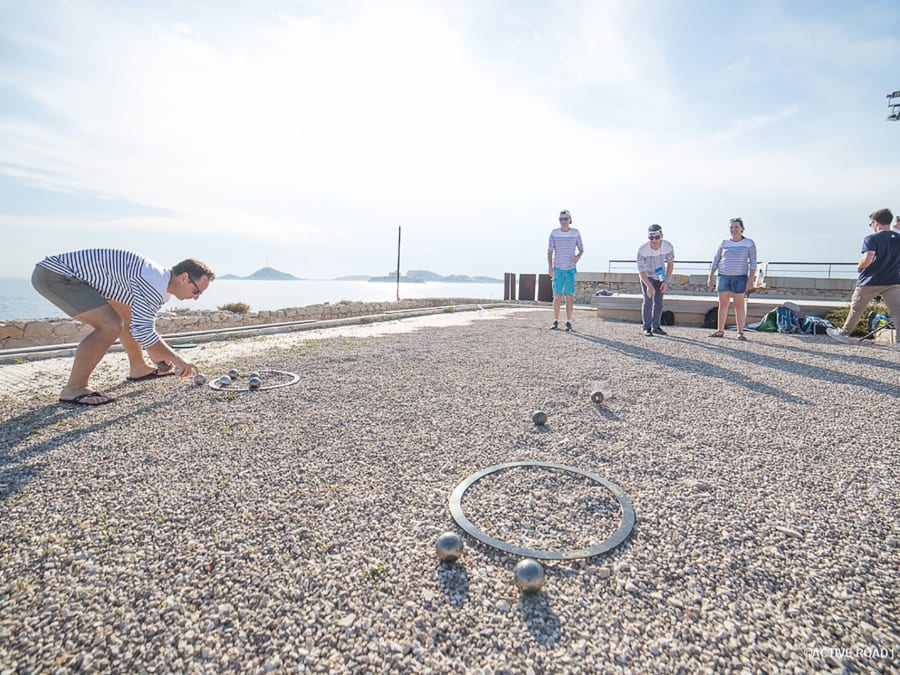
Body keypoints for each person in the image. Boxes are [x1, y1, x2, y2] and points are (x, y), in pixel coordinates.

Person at [31, 249, 215, 405]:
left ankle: (138, 367)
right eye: (197, 290)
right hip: (58, 275)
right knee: (110, 325)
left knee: (126, 314)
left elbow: (138, 323)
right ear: (184, 278)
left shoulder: (157, 280)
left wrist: (156, 351)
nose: (197, 297)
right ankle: (75, 388)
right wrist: (177, 359)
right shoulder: (153, 283)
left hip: (74, 277)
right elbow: (142, 330)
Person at [826, 208, 900, 347]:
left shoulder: (871, 238)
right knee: (897, 311)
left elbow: (869, 256)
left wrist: (860, 266)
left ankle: (844, 333)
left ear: (875, 222)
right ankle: (899, 341)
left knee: (857, 308)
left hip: (870, 280)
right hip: (893, 280)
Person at [706, 217, 757, 341]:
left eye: (736, 227)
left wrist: (751, 280)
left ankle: (740, 332)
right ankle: (720, 330)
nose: (734, 229)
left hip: (740, 276)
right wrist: (710, 276)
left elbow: (753, 262)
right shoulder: (724, 243)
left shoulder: (748, 243)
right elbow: (716, 259)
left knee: (738, 305)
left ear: (742, 229)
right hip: (723, 276)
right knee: (723, 305)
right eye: (731, 227)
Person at [547, 209, 584, 331]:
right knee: (557, 296)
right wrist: (550, 267)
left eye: (565, 219)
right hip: (558, 269)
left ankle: (568, 321)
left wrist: (577, 257)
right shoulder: (554, 233)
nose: (563, 221)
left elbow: (581, 249)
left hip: (570, 269)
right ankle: (555, 320)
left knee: (569, 296)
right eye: (560, 219)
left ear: (570, 219)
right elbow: (550, 251)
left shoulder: (575, 233)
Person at [636, 224, 675, 337]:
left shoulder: (668, 247)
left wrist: (666, 281)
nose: (654, 240)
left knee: (658, 302)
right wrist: (649, 286)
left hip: (660, 274)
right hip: (647, 275)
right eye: (651, 237)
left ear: (661, 235)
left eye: (657, 237)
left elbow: (670, 265)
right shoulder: (642, 250)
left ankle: (656, 326)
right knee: (648, 300)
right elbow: (641, 271)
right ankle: (646, 327)